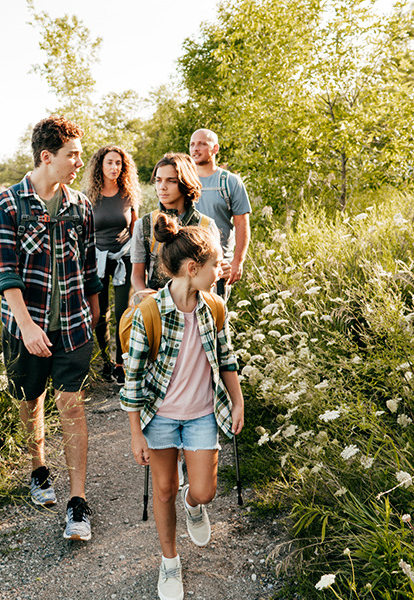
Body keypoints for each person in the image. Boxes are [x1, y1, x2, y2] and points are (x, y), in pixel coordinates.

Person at [0, 115, 103, 541]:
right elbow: (7, 277)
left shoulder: (81, 206)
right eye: (73, 155)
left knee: (71, 405)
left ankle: (77, 501)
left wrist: (95, 313)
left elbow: (89, 267)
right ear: (47, 156)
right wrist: (28, 327)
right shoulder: (7, 205)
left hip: (73, 326)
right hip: (25, 328)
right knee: (30, 399)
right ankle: (39, 469)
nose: (79, 162)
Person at [120, 213, 245, 600]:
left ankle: (194, 506)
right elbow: (134, 379)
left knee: (204, 490)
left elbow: (226, 360)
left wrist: (237, 402)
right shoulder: (148, 314)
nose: (218, 273)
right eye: (215, 267)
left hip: (202, 414)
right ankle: (170, 562)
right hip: (159, 417)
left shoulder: (214, 307)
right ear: (193, 268)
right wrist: (135, 432)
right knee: (163, 489)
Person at [82, 145, 140, 385]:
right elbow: (83, 232)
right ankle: (105, 360)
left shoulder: (129, 194)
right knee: (100, 312)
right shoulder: (87, 196)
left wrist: (140, 262)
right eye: (110, 163)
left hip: (124, 259)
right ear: (100, 166)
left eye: (118, 163)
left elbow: (135, 230)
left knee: (123, 312)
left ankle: (120, 363)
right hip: (97, 261)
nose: (114, 167)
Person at [131, 153, 229, 294]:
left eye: (171, 181)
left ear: (185, 182)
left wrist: (222, 274)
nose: (162, 187)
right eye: (158, 180)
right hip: (157, 307)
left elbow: (213, 278)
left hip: (195, 307)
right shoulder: (145, 224)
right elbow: (137, 275)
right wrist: (147, 297)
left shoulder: (206, 225)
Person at [189, 129, 252, 297]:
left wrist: (237, 261)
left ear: (215, 149)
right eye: (192, 144)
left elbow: (242, 224)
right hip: (187, 265)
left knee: (216, 317)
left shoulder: (230, 182)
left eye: (202, 144)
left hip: (218, 266)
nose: (196, 148)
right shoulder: (183, 181)